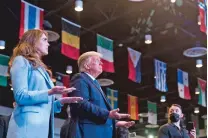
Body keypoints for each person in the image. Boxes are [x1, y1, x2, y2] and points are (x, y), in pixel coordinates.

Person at [6, 29, 83, 138]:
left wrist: (60, 102)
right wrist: (49, 92)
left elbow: (45, 105)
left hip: (42, 129)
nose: (48, 43)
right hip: (26, 128)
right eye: (44, 39)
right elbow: (20, 96)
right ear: (33, 41)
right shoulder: (20, 60)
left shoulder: (41, 69)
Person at [62, 51, 135, 138]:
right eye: (97, 60)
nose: (101, 63)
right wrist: (108, 114)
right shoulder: (80, 78)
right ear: (87, 65)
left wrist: (115, 122)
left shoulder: (94, 83)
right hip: (89, 133)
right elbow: (80, 104)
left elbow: (97, 112)